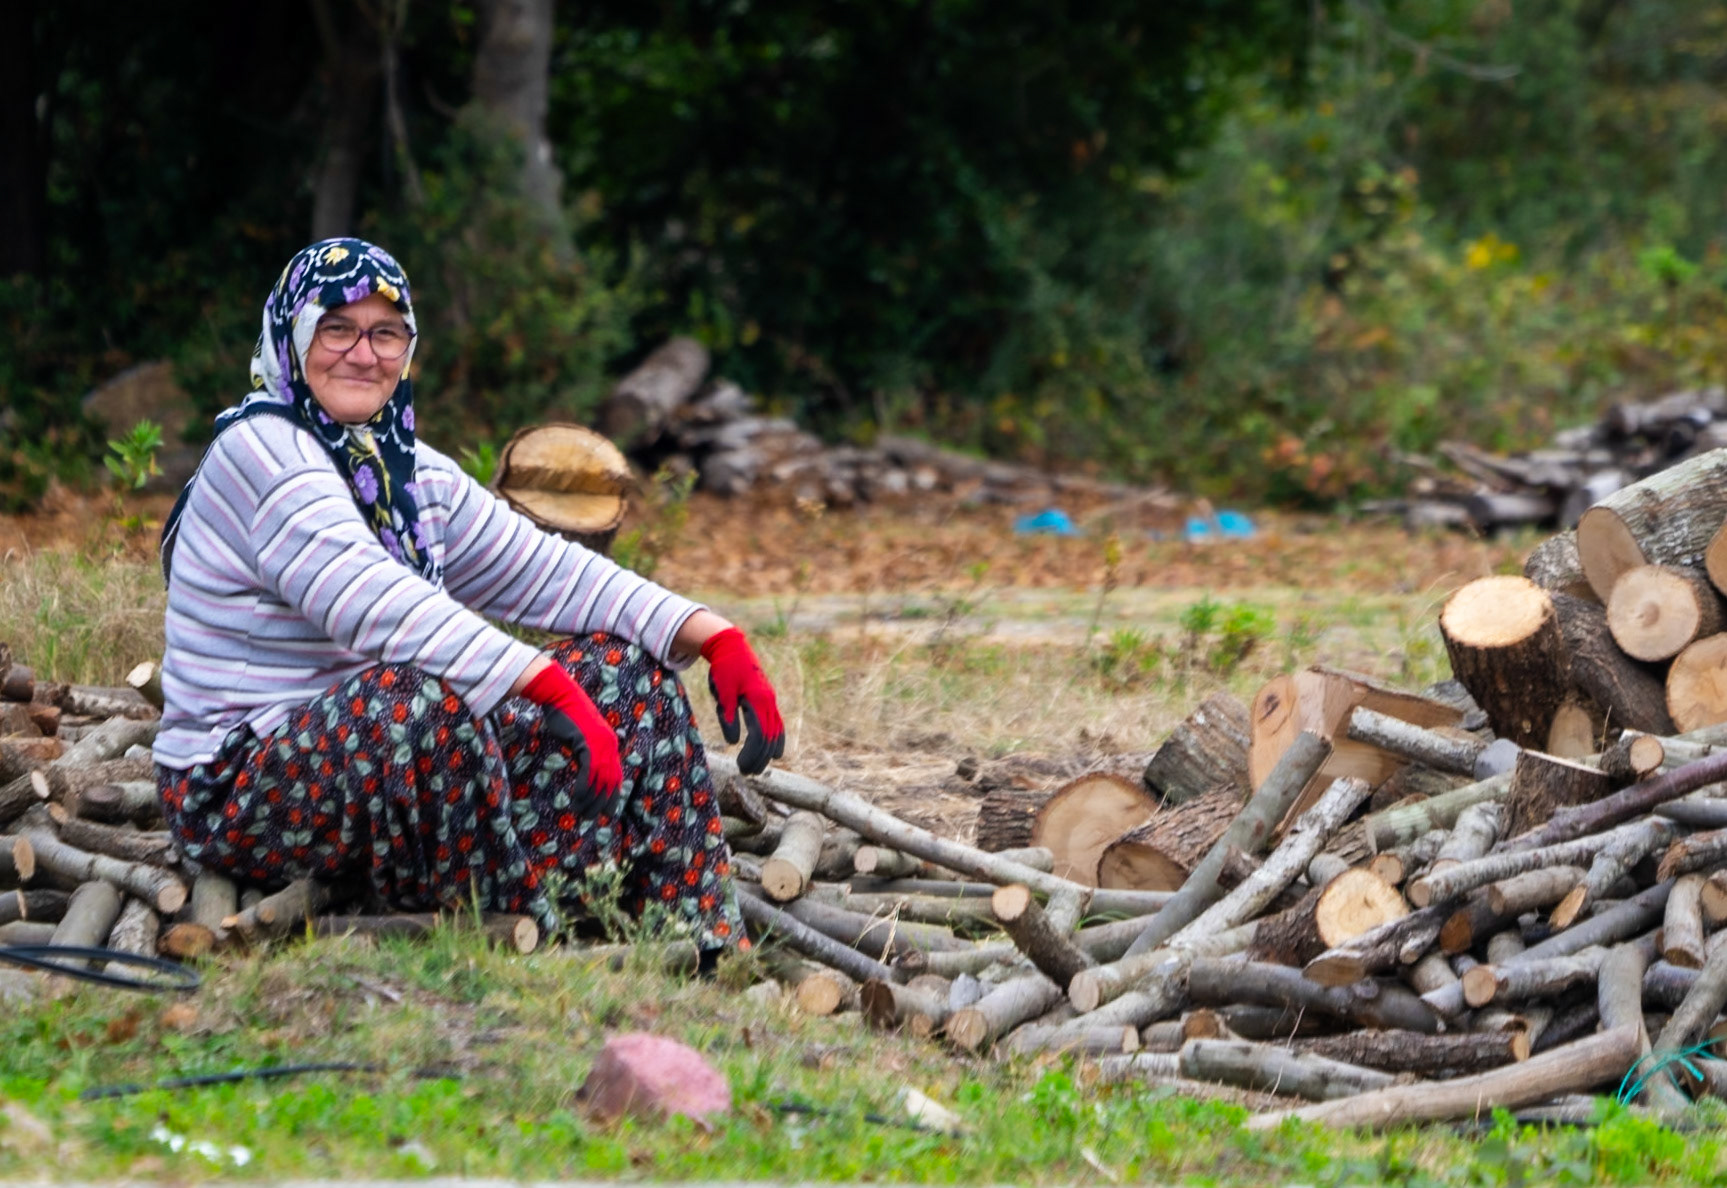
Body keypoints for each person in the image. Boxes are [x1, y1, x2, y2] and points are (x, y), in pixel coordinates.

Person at [153, 238, 783, 956]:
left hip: (390, 772)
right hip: (239, 788)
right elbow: (368, 599)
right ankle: (520, 935)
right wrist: (543, 684)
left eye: (386, 333)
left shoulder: (402, 467)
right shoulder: (260, 451)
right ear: (291, 338)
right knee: (412, 697)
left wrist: (712, 635)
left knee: (626, 670)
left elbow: (548, 570)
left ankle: (698, 941)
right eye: (336, 328)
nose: (363, 353)